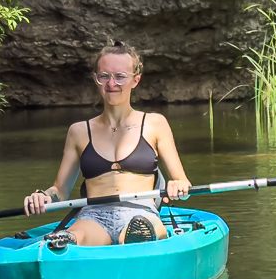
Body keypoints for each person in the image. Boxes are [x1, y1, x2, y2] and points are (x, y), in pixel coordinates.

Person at [23, 41, 191, 244]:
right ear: (96, 79)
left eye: (120, 77)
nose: (111, 84)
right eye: (104, 76)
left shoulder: (155, 124)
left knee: (138, 230)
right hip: (93, 216)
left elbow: (182, 181)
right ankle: (68, 242)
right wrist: (43, 196)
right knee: (72, 238)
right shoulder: (79, 131)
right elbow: (60, 190)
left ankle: (138, 241)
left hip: (141, 213)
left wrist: (178, 185)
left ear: (135, 80)